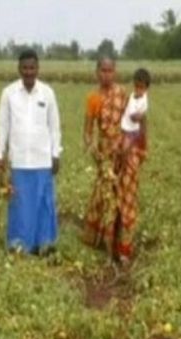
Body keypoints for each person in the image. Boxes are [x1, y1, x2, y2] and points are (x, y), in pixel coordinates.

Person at [0, 50, 62, 255]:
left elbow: (54, 127)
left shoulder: (47, 93)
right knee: (20, 206)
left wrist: (55, 153)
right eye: (25, 68)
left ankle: (44, 244)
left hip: (42, 159)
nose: (29, 72)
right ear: (19, 69)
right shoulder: (9, 93)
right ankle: (19, 244)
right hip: (20, 160)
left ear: (38, 69)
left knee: (43, 203)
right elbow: (3, 126)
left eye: (32, 68)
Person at [82, 57, 129, 260]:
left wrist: (128, 147)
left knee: (121, 196)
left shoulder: (123, 94)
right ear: (97, 72)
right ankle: (105, 242)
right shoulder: (93, 98)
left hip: (123, 153)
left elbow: (130, 125)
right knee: (105, 195)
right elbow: (87, 131)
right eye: (103, 70)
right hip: (104, 155)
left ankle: (119, 242)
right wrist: (92, 147)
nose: (106, 75)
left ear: (115, 72)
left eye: (110, 71)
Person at [111, 67, 152, 264]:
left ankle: (124, 248)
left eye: (141, 87)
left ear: (147, 88)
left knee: (127, 200)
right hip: (123, 146)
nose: (138, 89)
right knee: (115, 195)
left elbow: (140, 126)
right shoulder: (129, 99)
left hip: (131, 151)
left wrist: (132, 145)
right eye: (136, 86)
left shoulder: (143, 104)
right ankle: (114, 243)